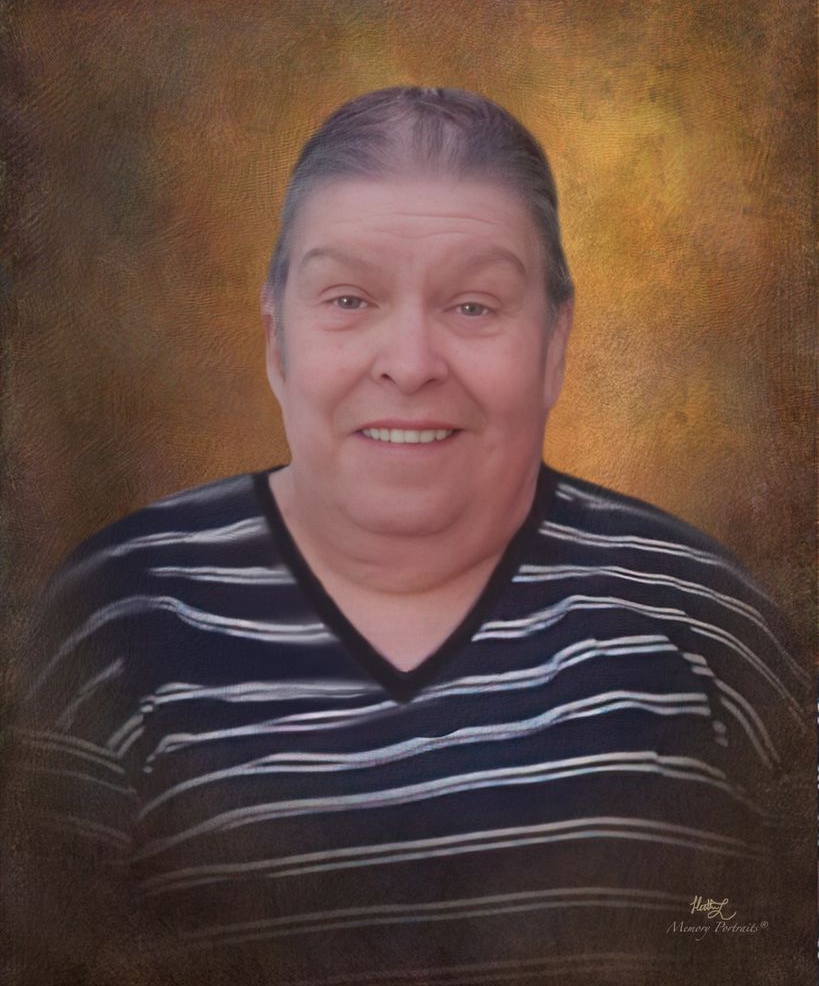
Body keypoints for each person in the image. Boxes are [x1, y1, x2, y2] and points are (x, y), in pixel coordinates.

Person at [6, 87, 811, 986]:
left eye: (474, 306)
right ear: (276, 341)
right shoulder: (119, 619)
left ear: (554, 344)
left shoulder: (708, 627)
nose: (411, 364)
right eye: (349, 299)